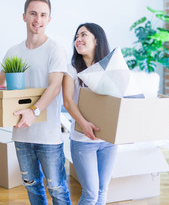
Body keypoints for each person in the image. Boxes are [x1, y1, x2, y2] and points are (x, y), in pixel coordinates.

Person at [0, 0, 70, 205]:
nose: (38, 19)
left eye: (43, 15)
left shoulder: (55, 49)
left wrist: (34, 112)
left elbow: (55, 87)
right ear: (24, 16)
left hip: (48, 134)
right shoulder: (13, 52)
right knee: (31, 185)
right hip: (21, 133)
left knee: (57, 188)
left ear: (49, 19)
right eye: (33, 13)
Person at [62, 23, 118, 205]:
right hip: (83, 141)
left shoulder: (110, 68)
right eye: (76, 36)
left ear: (96, 40)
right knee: (91, 193)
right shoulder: (71, 69)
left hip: (108, 141)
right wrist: (85, 125)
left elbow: (118, 100)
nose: (78, 39)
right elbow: (68, 101)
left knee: (103, 191)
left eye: (84, 35)